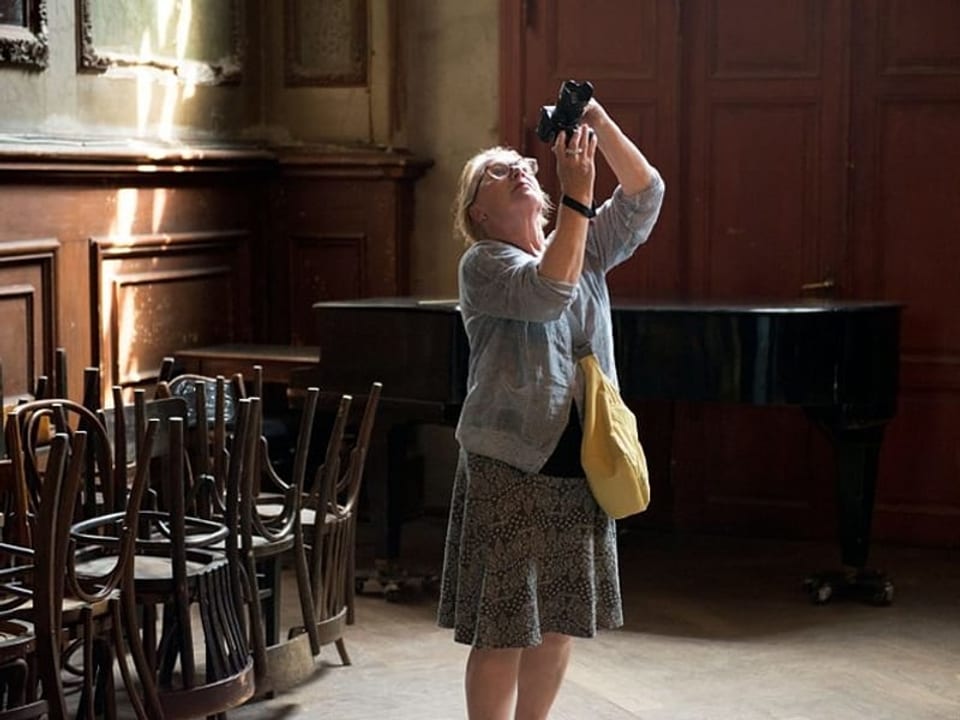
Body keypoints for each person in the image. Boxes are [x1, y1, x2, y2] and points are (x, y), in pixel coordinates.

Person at [437, 93, 665, 720]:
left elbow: (646, 194)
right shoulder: (482, 263)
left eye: (522, 165)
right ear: (477, 212)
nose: (519, 170)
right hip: (510, 465)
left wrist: (599, 123)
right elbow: (548, 292)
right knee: (503, 626)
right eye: (497, 172)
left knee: (561, 619)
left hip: (580, 458)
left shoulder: (581, 239)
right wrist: (577, 196)